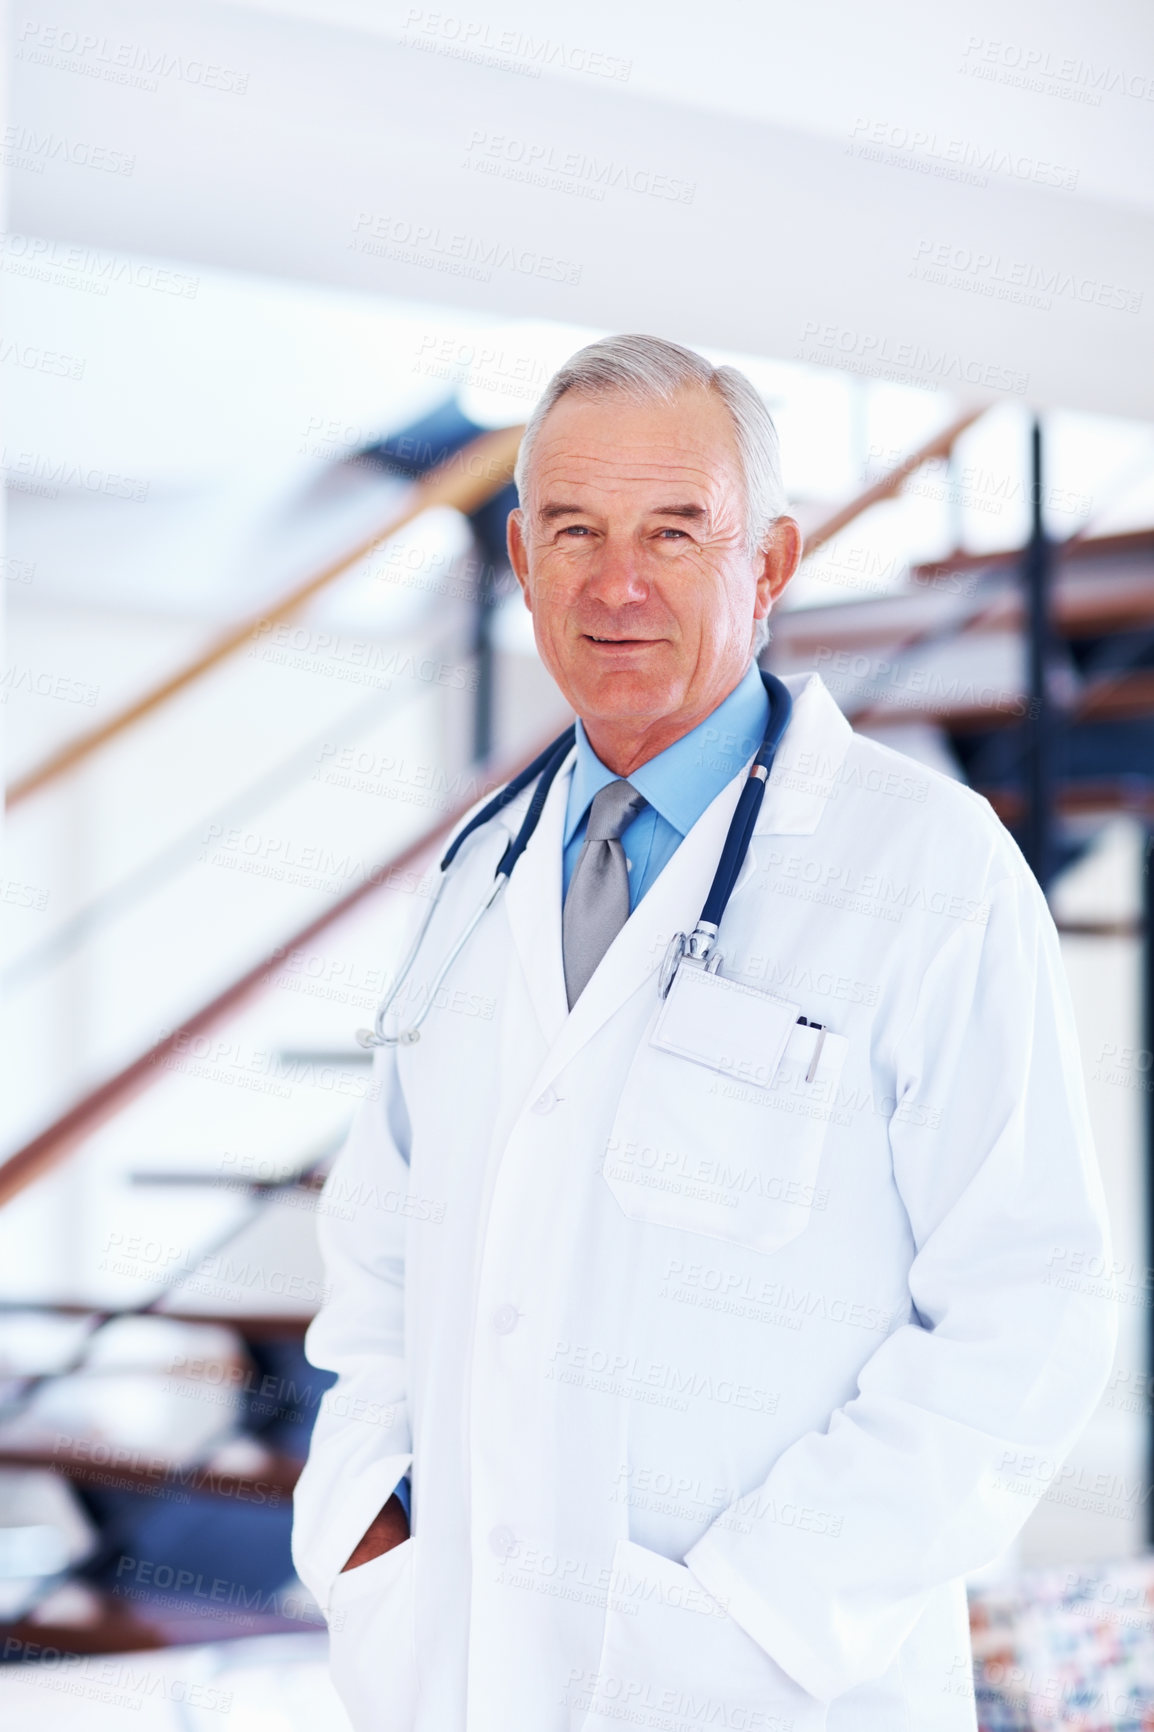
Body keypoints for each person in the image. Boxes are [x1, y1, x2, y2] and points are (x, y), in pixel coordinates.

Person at [292, 334, 1116, 1731]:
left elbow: (1028, 1310)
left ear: (772, 563)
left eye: (675, 532)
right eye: (575, 532)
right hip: (461, 1673)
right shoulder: (475, 871)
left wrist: (751, 1607)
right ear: (520, 556)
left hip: (763, 1686)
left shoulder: (926, 868)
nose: (617, 584)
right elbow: (379, 1246)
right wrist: (371, 1510)